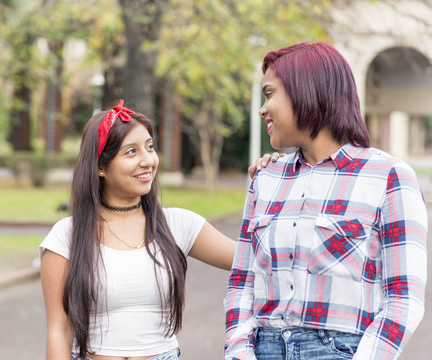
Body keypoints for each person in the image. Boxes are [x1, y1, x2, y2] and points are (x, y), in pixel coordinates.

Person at [225, 41, 428, 360]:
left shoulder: (388, 176)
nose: (262, 108)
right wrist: (239, 353)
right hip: (262, 348)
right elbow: (242, 285)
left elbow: (403, 301)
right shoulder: (266, 178)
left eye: (269, 94)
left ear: (306, 90)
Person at [39, 99, 277, 360]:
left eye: (150, 147)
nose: (148, 160)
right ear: (100, 167)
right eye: (131, 152)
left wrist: (275, 186)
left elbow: (264, 260)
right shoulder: (66, 236)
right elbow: (59, 331)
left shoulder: (178, 225)